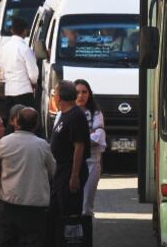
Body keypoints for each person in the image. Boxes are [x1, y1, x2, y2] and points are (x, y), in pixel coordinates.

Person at [0, 108, 56, 247]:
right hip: (34, 207)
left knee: (7, 242)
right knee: (33, 241)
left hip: (8, 203)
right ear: (36, 124)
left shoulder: (4, 142)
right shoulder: (42, 145)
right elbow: (52, 170)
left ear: (17, 122)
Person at [49, 80, 90, 245]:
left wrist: (74, 175)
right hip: (59, 171)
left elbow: (79, 147)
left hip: (70, 171)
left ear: (59, 97)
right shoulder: (63, 115)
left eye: (55, 94)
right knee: (55, 211)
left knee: (70, 214)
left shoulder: (76, 116)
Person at [74, 79, 105, 225]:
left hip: (92, 163)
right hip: (71, 163)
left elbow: (98, 137)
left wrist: (79, 137)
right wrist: (88, 133)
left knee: (86, 203)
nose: (81, 96)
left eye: (84, 92)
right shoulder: (66, 113)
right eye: (77, 92)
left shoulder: (96, 113)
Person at [0, 18, 38, 113]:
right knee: (26, 121)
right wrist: (34, 82)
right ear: (24, 31)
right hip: (24, 92)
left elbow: (1, 72)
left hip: (9, 91)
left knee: (12, 122)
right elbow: (33, 73)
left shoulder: (4, 48)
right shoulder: (25, 48)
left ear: (12, 30)